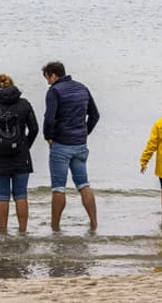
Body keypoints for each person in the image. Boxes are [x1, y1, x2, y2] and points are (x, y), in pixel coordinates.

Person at [41, 61, 100, 231]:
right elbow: (95, 115)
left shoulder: (54, 91)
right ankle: (94, 223)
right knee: (83, 184)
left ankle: (55, 226)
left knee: (58, 187)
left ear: (53, 75)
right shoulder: (82, 88)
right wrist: (84, 133)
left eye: (47, 78)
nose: (47, 82)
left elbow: (49, 118)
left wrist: (48, 137)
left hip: (61, 144)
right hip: (80, 144)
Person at [0, 74, 38, 233]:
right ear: (13, 86)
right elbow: (34, 129)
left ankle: (3, 231)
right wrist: (26, 145)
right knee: (21, 194)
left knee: (2, 195)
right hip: (21, 155)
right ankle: (23, 231)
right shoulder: (24, 104)